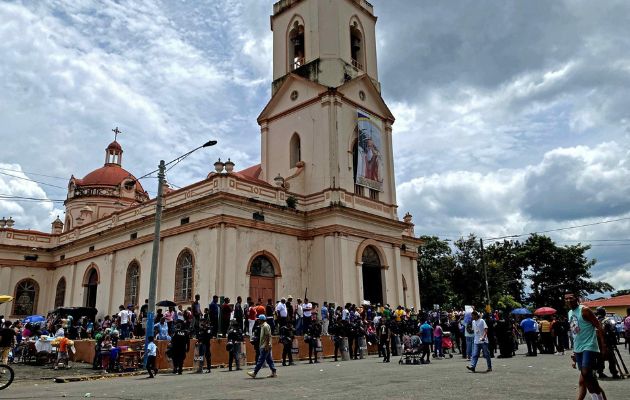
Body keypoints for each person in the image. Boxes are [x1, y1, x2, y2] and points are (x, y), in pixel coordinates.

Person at [565, 293, 607, 400]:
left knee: (586, 373)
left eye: (571, 298)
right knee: (586, 378)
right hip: (578, 348)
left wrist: (603, 346)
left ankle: (596, 397)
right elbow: (575, 333)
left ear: (577, 299)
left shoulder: (585, 310)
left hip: (589, 346)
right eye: (566, 299)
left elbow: (598, 325)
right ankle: (599, 397)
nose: (568, 300)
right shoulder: (570, 313)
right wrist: (574, 351)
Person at [595, 307, 619, 379]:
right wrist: (614, 341)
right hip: (607, 341)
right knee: (611, 358)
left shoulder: (595, 320)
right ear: (604, 313)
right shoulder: (607, 320)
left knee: (599, 358)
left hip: (597, 342)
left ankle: (600, 372)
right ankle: (614, 373)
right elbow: (612, 331)